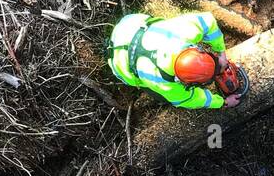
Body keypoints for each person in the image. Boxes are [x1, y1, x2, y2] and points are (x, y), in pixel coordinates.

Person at [105, 11, 245, 109]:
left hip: (128, 27)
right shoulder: (166, 85)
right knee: (161, 97)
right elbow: (193, 99)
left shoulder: (179, 34)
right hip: (118, 62)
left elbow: (207, 21)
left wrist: (221, 53)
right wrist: (223, 102)